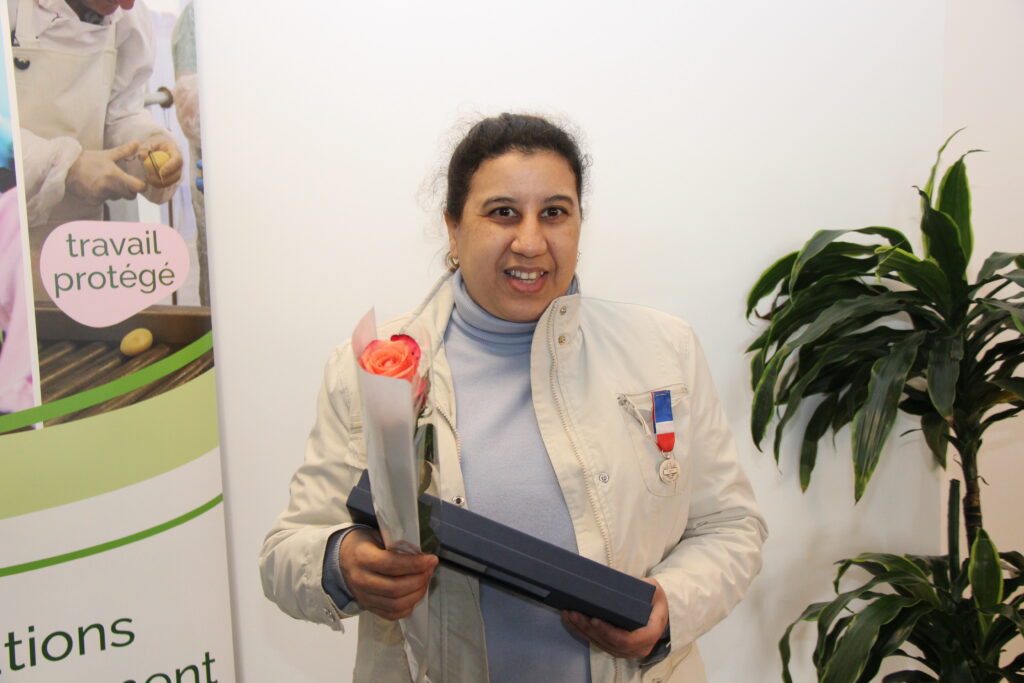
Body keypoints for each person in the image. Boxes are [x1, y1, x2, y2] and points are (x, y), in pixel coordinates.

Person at [260, 113, 767, 682]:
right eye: (503, 212)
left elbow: (731, 526)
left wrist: (671, 604)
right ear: (453, 228)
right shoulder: (372, 369)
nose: (530, 242)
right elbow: (285, 551)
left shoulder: (663, 351)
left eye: (554, 212)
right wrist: (343, 564)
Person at [8, 0, 183, 297]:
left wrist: (147, 146)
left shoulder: (127, 17)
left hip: (77, 256)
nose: (125, 4)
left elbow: (121, 111)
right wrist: (66, 167)